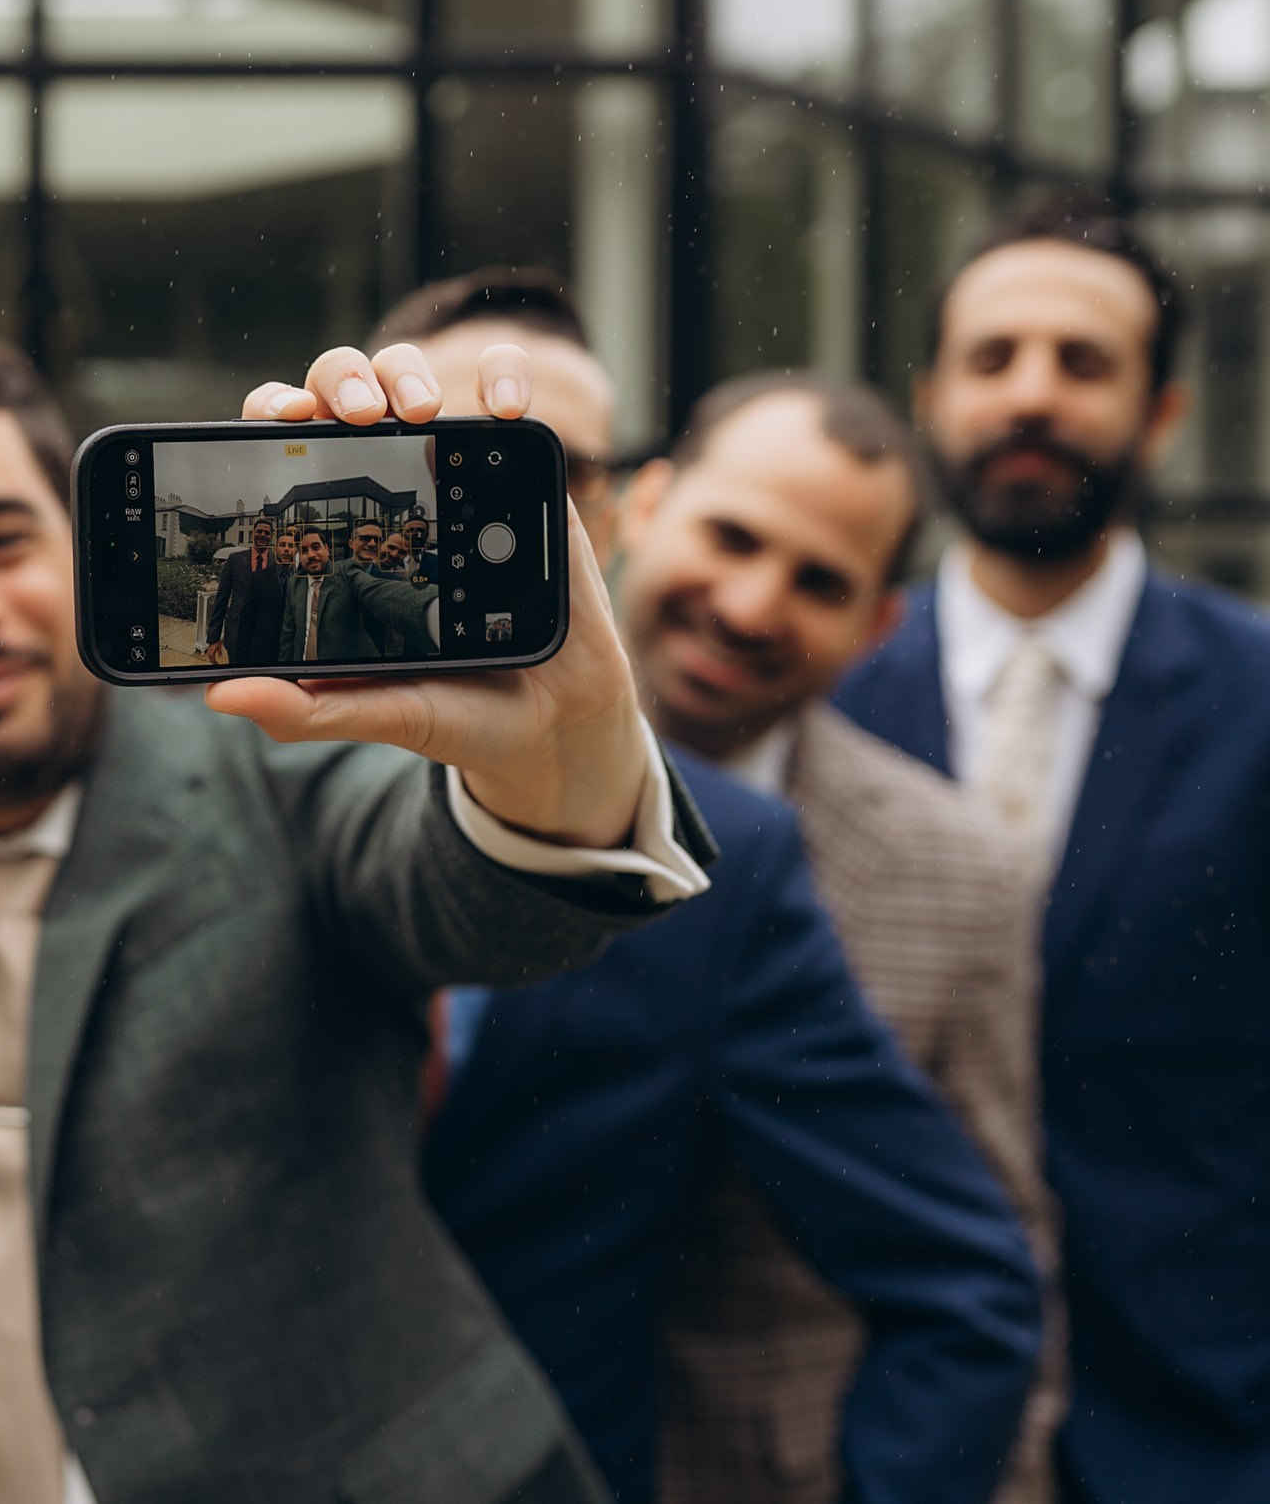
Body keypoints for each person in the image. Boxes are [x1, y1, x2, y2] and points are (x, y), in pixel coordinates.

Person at [0, 316, 716, 1504]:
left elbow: (475, 902)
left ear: (91, 552)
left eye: (1, 541)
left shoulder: (271, 771)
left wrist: (568, 760)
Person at [352, 272, 1047, 1504]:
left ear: (606, 510)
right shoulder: (195, 770)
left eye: (539, 474)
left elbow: (968, 1272)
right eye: (426, 460)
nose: (747, 602)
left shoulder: (729, 859)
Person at [832, 197, 1270, 1504]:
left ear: (1162, 413)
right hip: (883, 1435)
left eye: (1083, 362)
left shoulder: (1261, 697)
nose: (1032, 394)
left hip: (1201, 1429)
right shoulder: (820, 696)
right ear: (929, 398)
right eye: (992, 357)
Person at [615, 375, 1062, 1504]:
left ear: (876, 627)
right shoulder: (411, 768)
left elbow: (994, 1263)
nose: (754, 605)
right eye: (731, 537)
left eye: (818, 581)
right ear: (642, 505)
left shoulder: (958, 875)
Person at [279, 526, 438, 661]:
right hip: (305, 675)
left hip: (346, 677)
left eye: (316, 547)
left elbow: (376, 591)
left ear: (327, 548)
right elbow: (288, 635)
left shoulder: (345, 571)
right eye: (304, 550)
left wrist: (433, 608)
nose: (311, 555)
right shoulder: (294, 583)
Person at [203, 517, 286, 665]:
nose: (262, 535)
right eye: (259, 531)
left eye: (267, 533)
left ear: (271, 536)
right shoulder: (235, 559)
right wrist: (213, 638)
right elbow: (221, 599)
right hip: (237, 634)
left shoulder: (278, 562)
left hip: (266, 639)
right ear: (253, 533)